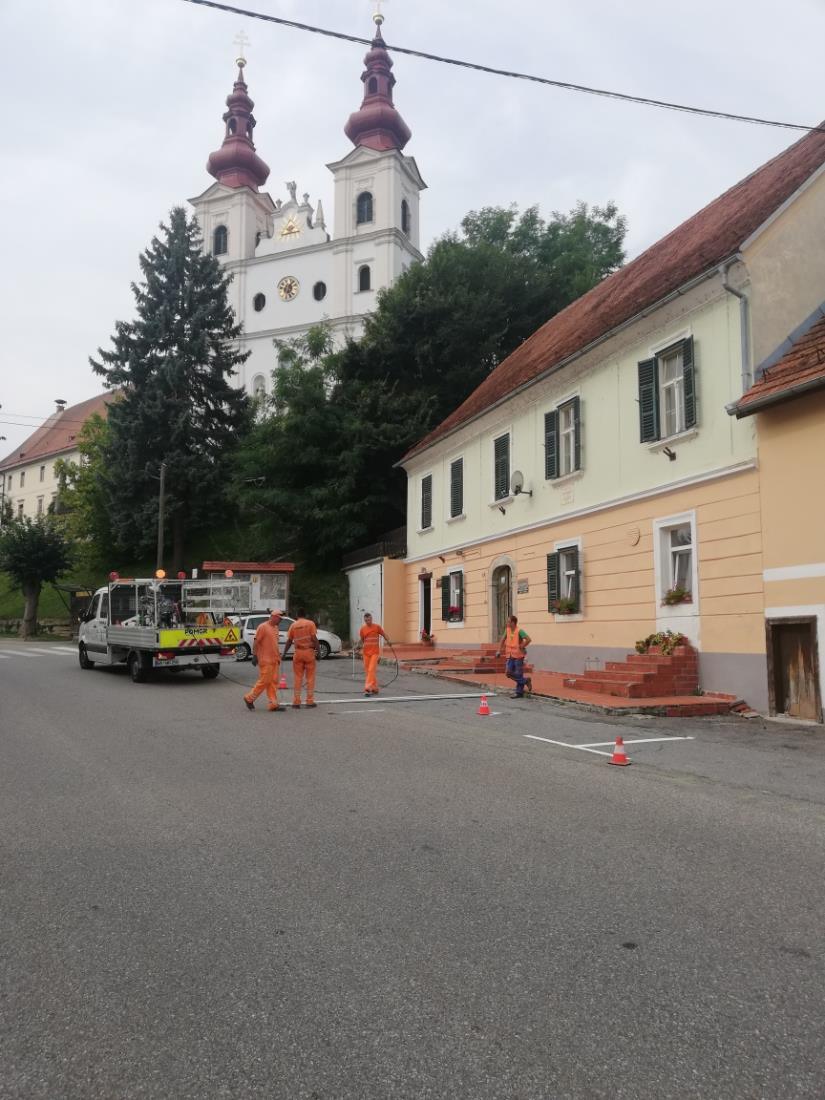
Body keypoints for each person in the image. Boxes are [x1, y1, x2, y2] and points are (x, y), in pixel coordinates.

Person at [243, 610, 285, 713]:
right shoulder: (263, 627)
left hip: (274, 660)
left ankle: (273, 704)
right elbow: (256, 641)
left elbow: (274, 644)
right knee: (264, 681)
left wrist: (278, 657)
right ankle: (249, 698)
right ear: (273, 617)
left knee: (273, 682)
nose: (280, 621)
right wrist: (254, 655)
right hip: (265, 660)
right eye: (279, 618)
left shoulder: (275, 628)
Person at [282, 607, 319, 708]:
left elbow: (289, 641)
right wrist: (318, 652)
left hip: (298, 653)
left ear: (297, 615)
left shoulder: (293, 625)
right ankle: (310, 701)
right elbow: (314, 639)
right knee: (310, 677)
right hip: (309, 653)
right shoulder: (310, 624)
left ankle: (296, 701)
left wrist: (284, 653)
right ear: (305, 615)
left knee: (298, 678)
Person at [496, 615, 532, 698]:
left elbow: (528, 639)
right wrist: (499, 651)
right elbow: (502, 640)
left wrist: (522, 646)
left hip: (518, 655)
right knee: (508, 673)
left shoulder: (519, 631)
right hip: (510, 655)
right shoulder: (507, 630)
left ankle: (519, 692)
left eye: (508, 621)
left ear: (513, 623)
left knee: (519, 673)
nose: (507, 623)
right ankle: (526, 681)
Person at [356, 611, 388, 696]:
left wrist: (388, 641)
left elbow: (384, 634)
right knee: (368, 672)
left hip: (375, 652)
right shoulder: (363, 629)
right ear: (364, 620)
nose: (368, 622)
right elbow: (362, 640)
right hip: (366, 653)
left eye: (369, 620)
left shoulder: (377, 627)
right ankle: (375, 688)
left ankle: (367, 688)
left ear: (371, 619)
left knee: (371, 670)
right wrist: (357, 646)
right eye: (366, 620)